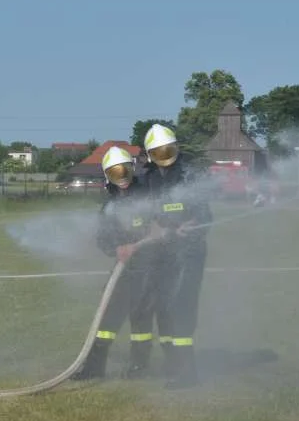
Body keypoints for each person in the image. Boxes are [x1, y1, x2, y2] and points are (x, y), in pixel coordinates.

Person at [72, 146, 165, 380]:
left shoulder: (147, 195)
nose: (121, 177)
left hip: (151, 267)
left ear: (132, 169)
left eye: (124, 170)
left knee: (141, 318)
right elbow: (102, 239)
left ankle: (139, 367)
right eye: (115, 172)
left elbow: (163, 220)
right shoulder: (109, 207)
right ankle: (94, 368)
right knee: (107, 317)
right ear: (107, 175)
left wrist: (159, 228)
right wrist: (116, 248)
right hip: (125, 268)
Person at [141, 123, 212, 389]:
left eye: (168, 150)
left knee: (182, 306)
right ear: (150, 155)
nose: (165, 157)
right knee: (163, 307)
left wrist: (188, 227)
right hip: (161, 252)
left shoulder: (189, 176)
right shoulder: (148, 179)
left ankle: (188, 372)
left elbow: (205, 216)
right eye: (158, 153)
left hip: (189, 253)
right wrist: (152, 227)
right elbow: (144, 213)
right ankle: (173, 363)